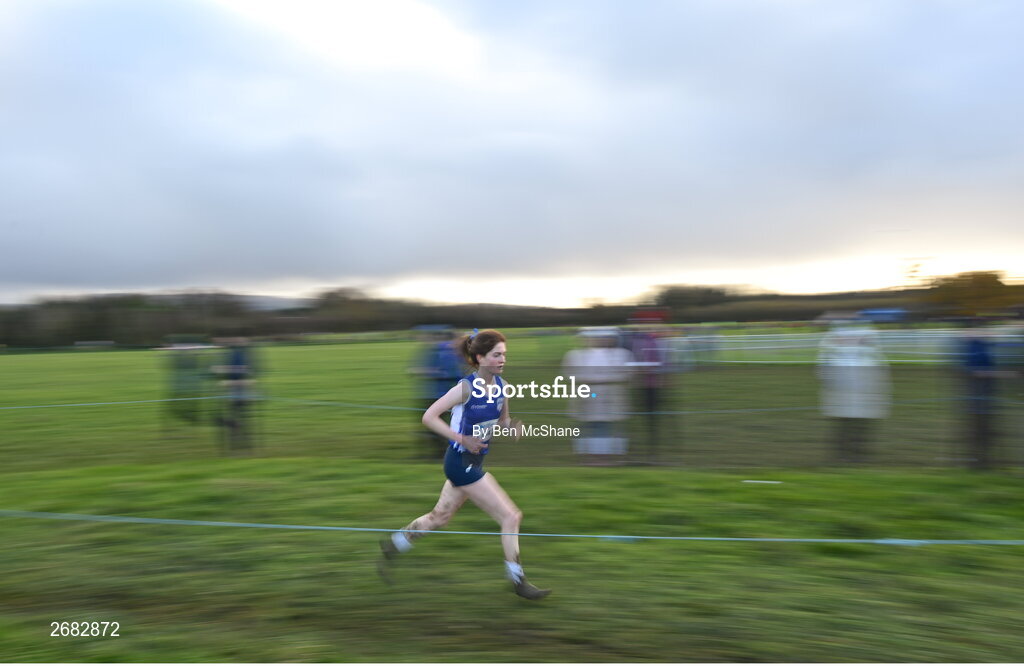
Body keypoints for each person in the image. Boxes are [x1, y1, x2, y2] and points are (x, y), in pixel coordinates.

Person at [379, 329, 551, 600]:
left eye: (504, 355)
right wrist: (462, 438)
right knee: (511, 516)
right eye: (496, 355)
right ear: (480, 358)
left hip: (471, 460)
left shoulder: (503, 387)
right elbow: (429, 417)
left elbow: (502, 421)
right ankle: (518, 580)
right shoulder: (465, 388)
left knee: (440, 517)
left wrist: (513, 427)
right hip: (460, 462)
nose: (502, 360)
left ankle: (394, 543)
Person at [817, 323, 890, 464]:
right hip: (844, 396)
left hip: (861, 395)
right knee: (845, 426)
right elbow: (823, 371)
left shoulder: (868, 349)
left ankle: (855, 456)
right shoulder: (836, 350)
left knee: (857, 427)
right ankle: (844, 456)